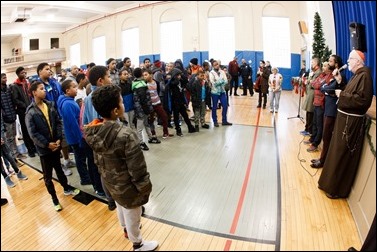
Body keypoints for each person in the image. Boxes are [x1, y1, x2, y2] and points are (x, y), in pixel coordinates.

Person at [84, 84, 158, 251]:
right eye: (121, 102)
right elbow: (137, 168)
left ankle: (125, 228)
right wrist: (144, 188)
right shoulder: (126, 135)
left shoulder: (93, 131)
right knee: (133, 212)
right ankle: (138, 244)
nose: (124, 105)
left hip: (110, 182)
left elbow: (97, 159)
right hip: (128, 186)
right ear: (115, 110)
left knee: (120, 206)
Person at [318, 49, 373, 199]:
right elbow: (350, 92)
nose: (348, 62)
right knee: (336, 153)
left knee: (342, 155)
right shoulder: (358, 76)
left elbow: (362, 101)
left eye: (350, 59)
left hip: (351, 123)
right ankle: (327, 183)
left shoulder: (365, 77)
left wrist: (341, 95)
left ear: (357, 61)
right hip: (344, 121)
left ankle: (336, 189)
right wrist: (341, 82)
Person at [25, 81, 80, 211]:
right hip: (44, 150)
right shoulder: (30, 112)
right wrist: (46, 144)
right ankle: (54, 199)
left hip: (55, 145)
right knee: (48, 176)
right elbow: (33, 133)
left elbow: (58, 122)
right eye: (41, 89)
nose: (44, 91)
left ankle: (66, 188)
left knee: (60, 170)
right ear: (34, 93)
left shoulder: (50, 105)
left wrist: (59, 139)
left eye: (44, 88)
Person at [209, 60, 232, 127]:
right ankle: (215, 121)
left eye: (218, 64)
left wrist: (219, 81)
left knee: (225, 106)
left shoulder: (222, 72)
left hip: (222, 91)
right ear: (213, 66)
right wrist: (220, 82)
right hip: (215, 92)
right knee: (214, 107)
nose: (217, 65)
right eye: (215, 65)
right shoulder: (211, 73)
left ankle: (224, 121)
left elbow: (225, 81)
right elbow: (213, 83)